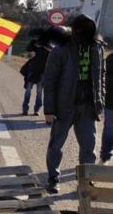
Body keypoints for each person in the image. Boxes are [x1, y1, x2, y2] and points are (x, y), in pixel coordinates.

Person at [43, 16, 105, 193]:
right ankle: (53, 178)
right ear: (74, 29)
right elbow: (50, 81)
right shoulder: (61, 50)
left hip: (87, 107)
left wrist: (99, 100)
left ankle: (85, 181)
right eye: (80, 28)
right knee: (56, 145)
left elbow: (100, 76)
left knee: (89, 146)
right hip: (64, 106)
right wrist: (49, 109)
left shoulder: (97, 48)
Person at [21, 29, 52, 116]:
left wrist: (46, 46)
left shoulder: (48, 47)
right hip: (32, 71)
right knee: (28, 91)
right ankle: (25, 109)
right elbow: (28, 49)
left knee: (39, 92)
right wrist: (33, 42)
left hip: (42, 72)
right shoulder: (36, 45)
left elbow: (53, 53)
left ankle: (37, 110)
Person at [101, 52, 113, 165]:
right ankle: (105, 157)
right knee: (109, 130)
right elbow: (106, 80)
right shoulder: (110, 60)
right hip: (111, 102)